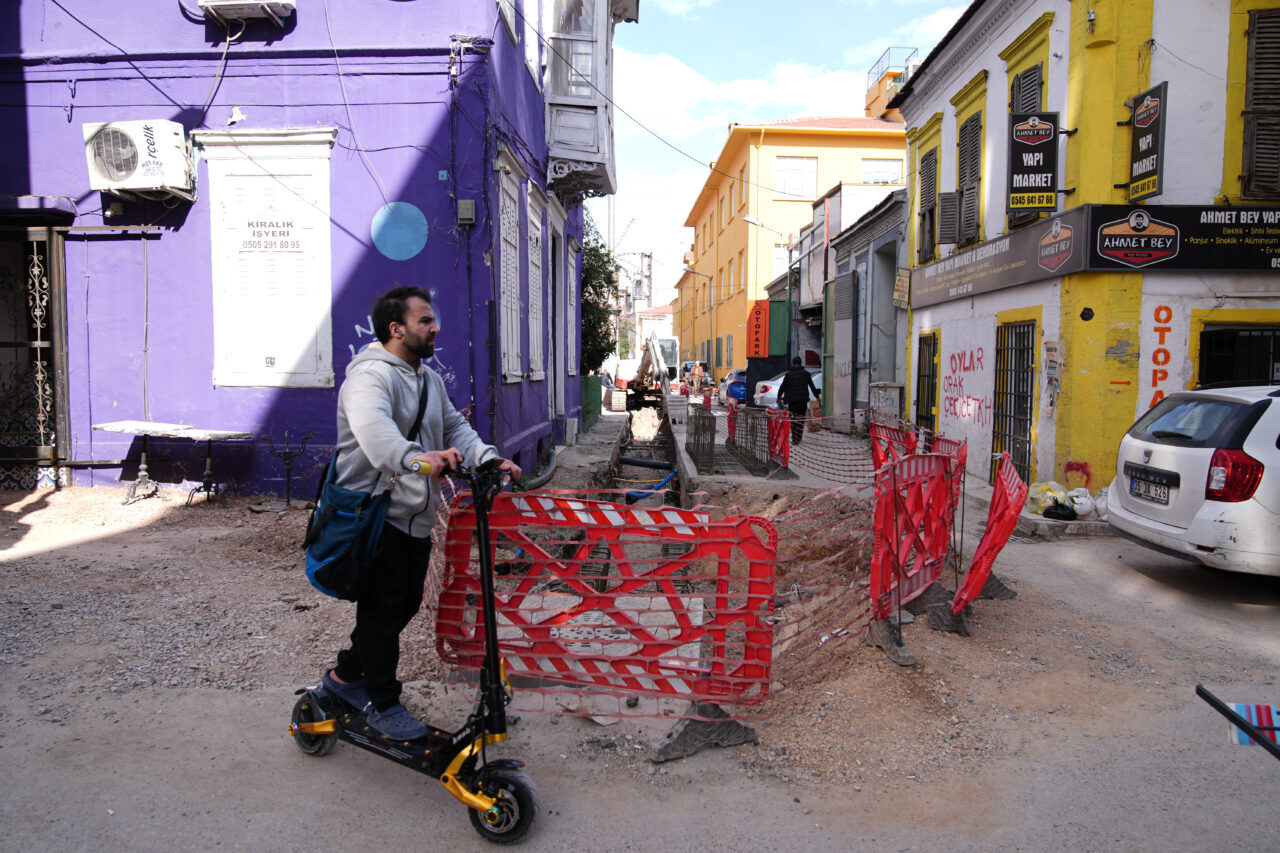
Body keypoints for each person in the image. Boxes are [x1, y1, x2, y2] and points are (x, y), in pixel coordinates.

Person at [322, 286, 521, 740]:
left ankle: (343, 677)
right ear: (397, 329)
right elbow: (378, 439)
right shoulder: (369, 379)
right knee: (384, 608)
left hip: (413, 514)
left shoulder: (426, 378)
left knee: (398, 605)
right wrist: (421, 460)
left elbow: (454, 426)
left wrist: (487, 458)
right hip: (373, 516)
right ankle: (381, 700)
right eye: (425, 321)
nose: (436, 328)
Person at [777, 357, 821, 445]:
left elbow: (783, 386)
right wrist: (817, 397)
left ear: (793, 363)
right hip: (802, 400)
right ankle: (799, 438)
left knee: (793, 419)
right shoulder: (806, 374)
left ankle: (794, 440)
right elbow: (812, 386)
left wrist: (778, 396)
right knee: (801, 419)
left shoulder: (789, 374)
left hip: (792, 401)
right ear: (801, 363)